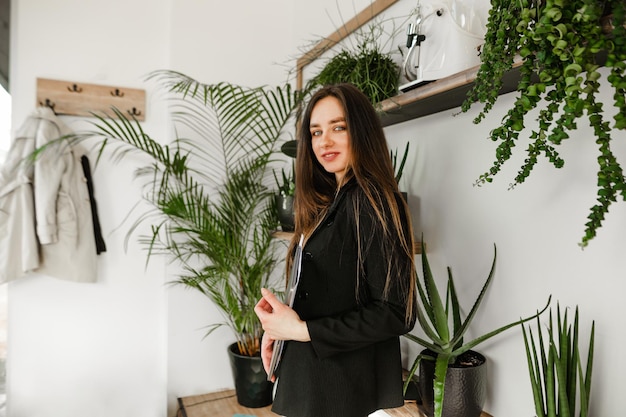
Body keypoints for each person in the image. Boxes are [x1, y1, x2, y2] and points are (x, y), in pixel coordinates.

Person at [254, 83, 417, 417]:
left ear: (361, 131)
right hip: (314, 380)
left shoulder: (371, 201)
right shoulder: (331, 201)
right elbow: (333, 292)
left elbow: (396, 312)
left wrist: (299, 330)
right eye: (315, 132)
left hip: (339, 392)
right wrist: (280, 331)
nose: (324, 142)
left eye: (338, 128)